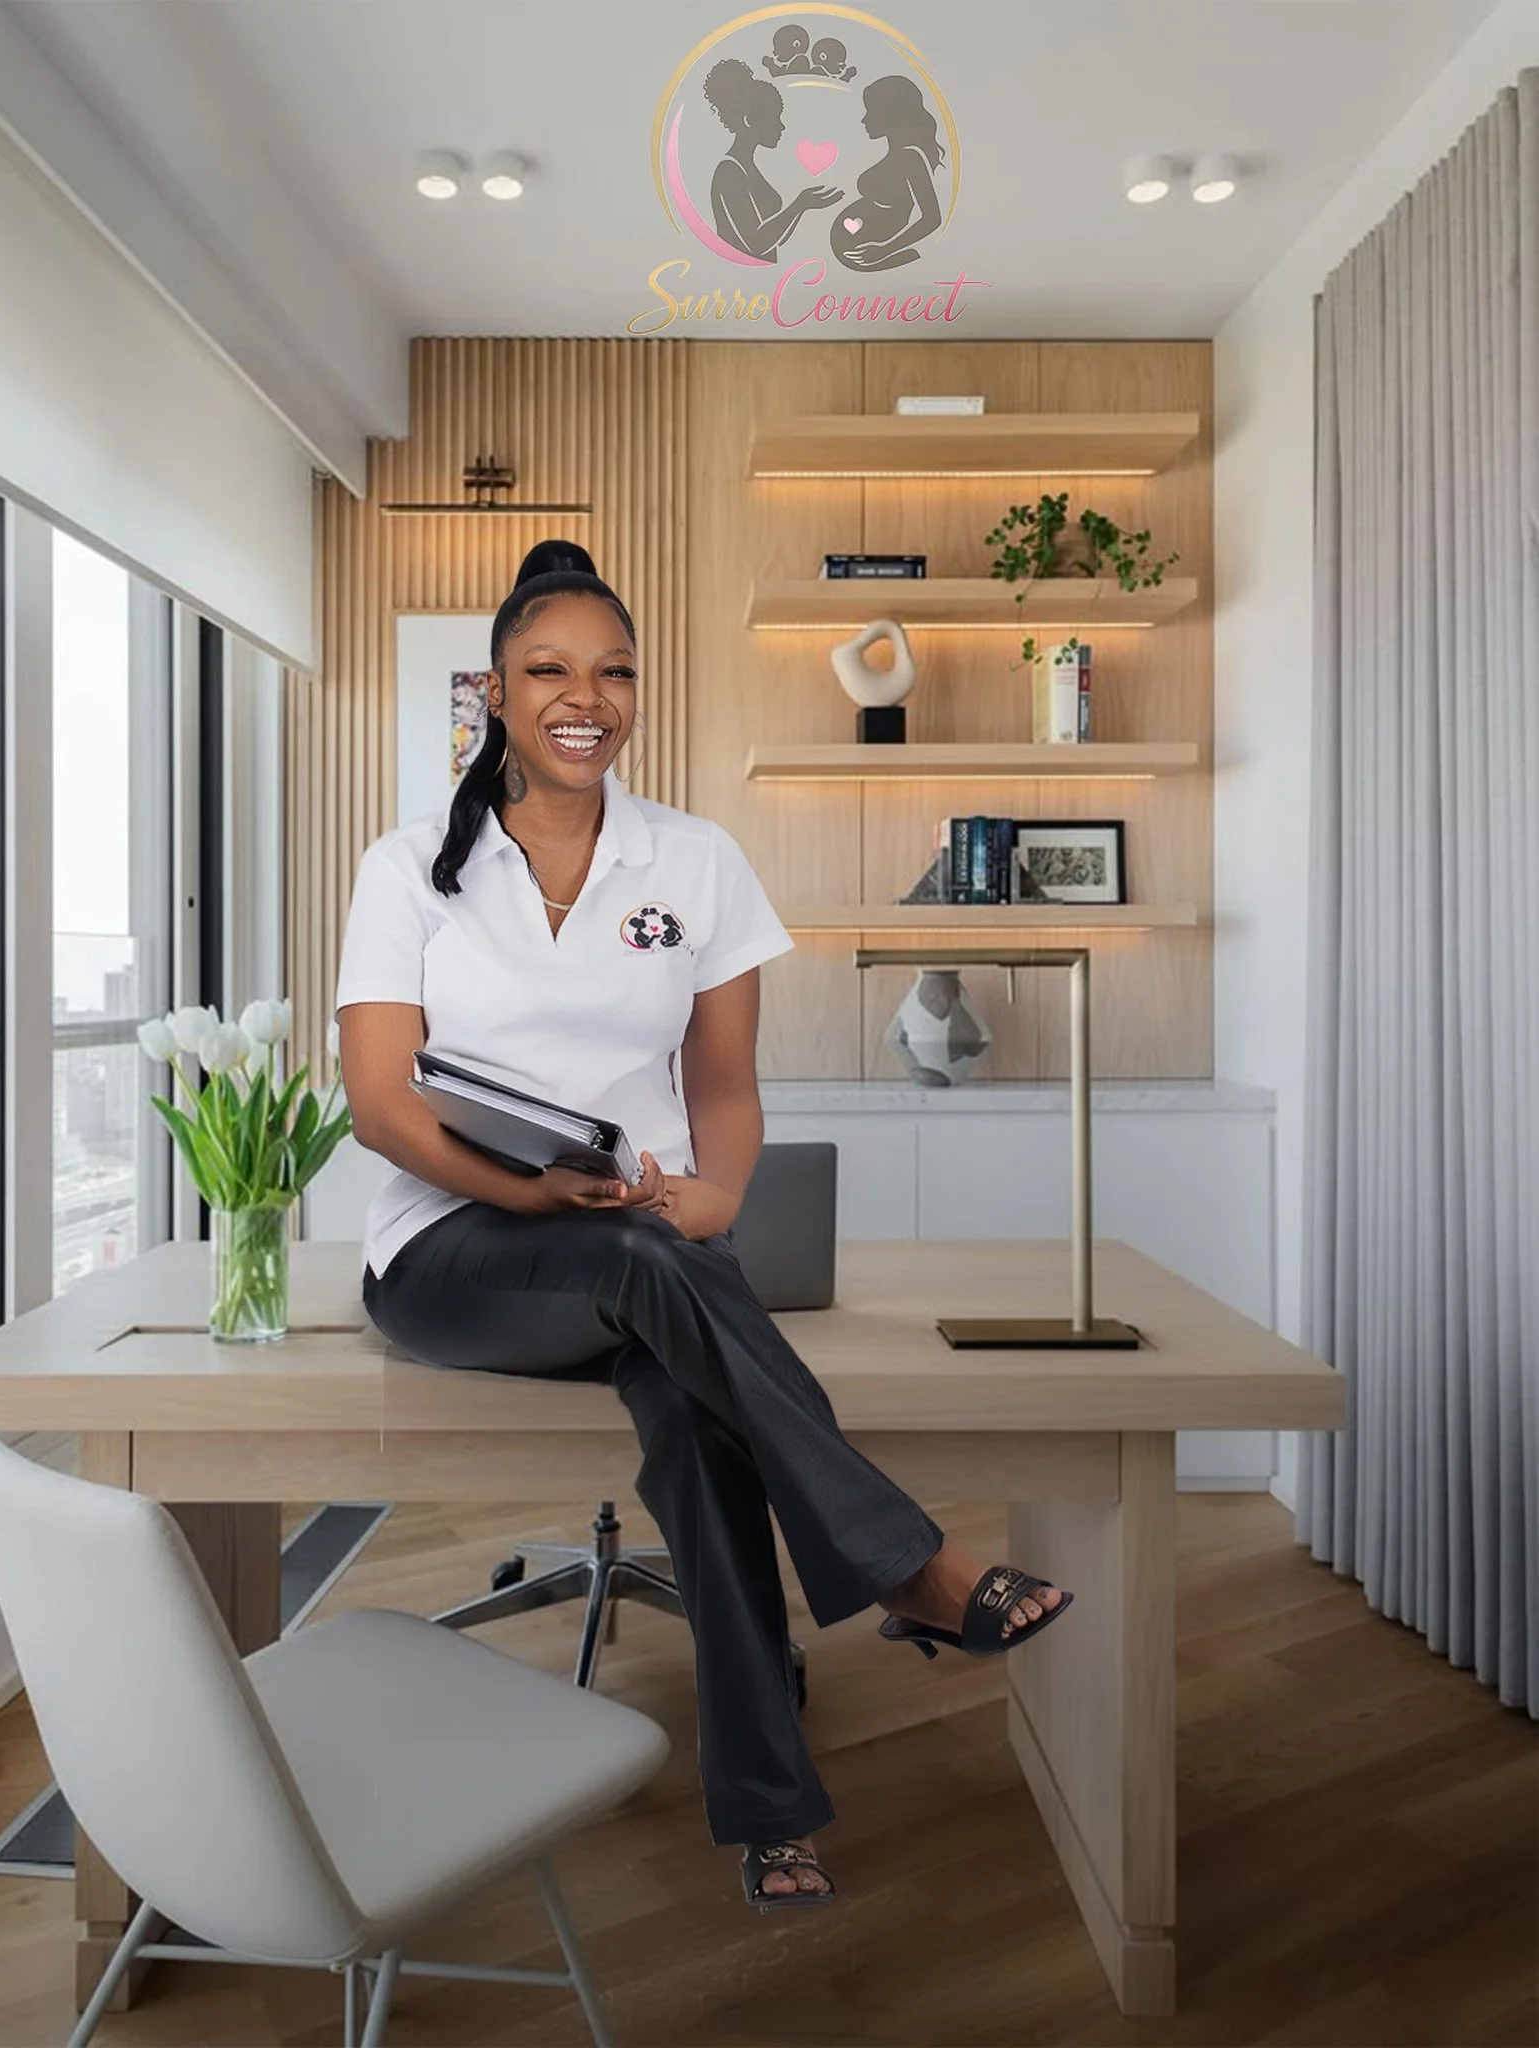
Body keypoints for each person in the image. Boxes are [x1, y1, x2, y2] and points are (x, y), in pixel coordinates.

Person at [334, 539, 1072, 1911]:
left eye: (613, 672)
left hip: (650, 1245)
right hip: (452, 1249)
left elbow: (723, 1090)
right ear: (494, 692)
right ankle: (908, 1567)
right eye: (548, 670)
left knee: (694, 1419)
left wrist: (715, 1195)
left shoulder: (697, 858)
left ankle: (769, 1808)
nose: (586, 697)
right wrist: (532, 1192)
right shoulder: (407, 868)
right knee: (644, 1265)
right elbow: (381, 1106)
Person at [700, 56, 843, 262]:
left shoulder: (746, 167)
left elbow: (774, 239)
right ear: (749, 121)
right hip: (742, 277)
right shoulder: (729, 172)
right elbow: (756, 244)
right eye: (775, 118)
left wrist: (802, 207)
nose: (781, 126)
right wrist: (800, 205)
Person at [830, 74, 946, 273]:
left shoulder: (910, 158)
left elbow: (932, 218)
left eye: (870, 112)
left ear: (891, 115)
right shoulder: (899, 155)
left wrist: (884, 250)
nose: (864, 119)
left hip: (874, 252)